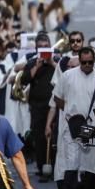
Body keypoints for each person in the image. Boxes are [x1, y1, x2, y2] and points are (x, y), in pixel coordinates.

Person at [47, 47, 95, 189]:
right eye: (84, 62)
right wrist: (71, 114)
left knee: (91, 164)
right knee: (71, 162)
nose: (87, 65)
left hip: (92, 127)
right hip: (73, 126)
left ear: (94, 61)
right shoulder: (68, 76)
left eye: (90, 62)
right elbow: (57, 97)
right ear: (79, 60)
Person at [21, 32, 58, 180]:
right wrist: (36, 66)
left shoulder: (56, 60)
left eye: (46, 47)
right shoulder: (32, 62)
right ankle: (43, 166)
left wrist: (52, 63)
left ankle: (54, 167)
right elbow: (24, 80)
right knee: (39, 136)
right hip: (37, 105)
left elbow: (64, 76)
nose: (43, 49)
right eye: (40, 47)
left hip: (54, 104)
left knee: (53, 136)